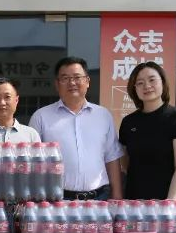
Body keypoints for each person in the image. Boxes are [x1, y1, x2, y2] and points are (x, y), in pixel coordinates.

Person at [30, 57, 124, 200]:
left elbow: (112, 157)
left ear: (87, 81)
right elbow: (33, 163)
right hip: (57, 201)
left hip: (99, 198)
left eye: (77, 77)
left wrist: (117, 195)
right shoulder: (41, 117)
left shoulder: (103, 115)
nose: (72, 83)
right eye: (65, 78)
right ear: (57, 84)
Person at [118, 61, 176, 200]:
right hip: (134, 202)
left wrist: (170, 204)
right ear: (134, 89)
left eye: (152, 80)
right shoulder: (128, 122)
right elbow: (125, 163)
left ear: (163, 82)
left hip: (167, 201)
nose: (147, 86)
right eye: (140, 83)